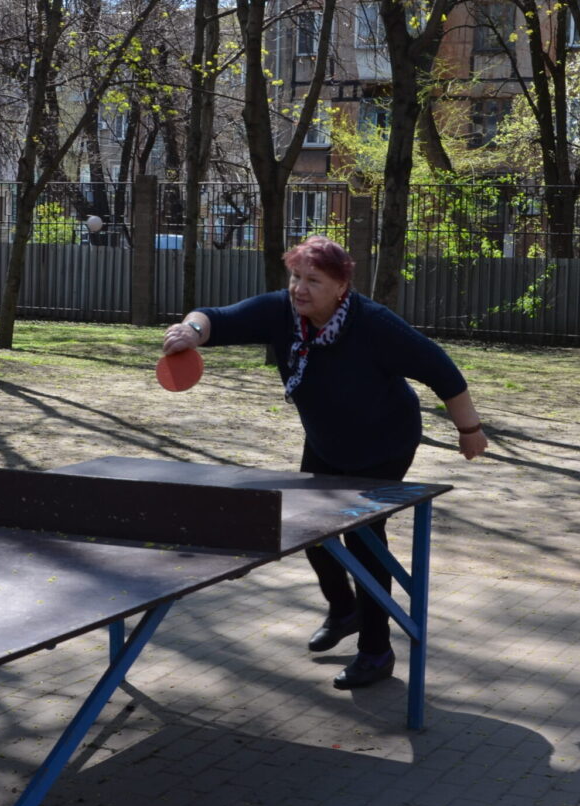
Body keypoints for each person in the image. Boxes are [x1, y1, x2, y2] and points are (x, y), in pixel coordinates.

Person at [161, 235, 488, 690]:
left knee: (362, 540)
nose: (299, 288)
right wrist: (190, 332)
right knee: (313, 533)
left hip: (384, 444)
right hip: (327, 443)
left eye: (313, 280)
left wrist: (469, 430)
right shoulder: (282, 313)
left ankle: (376, 651)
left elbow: (442, 371)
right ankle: (344, 608)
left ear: (341, 287)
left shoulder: (374, 325)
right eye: (296, 277)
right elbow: (216, 318)